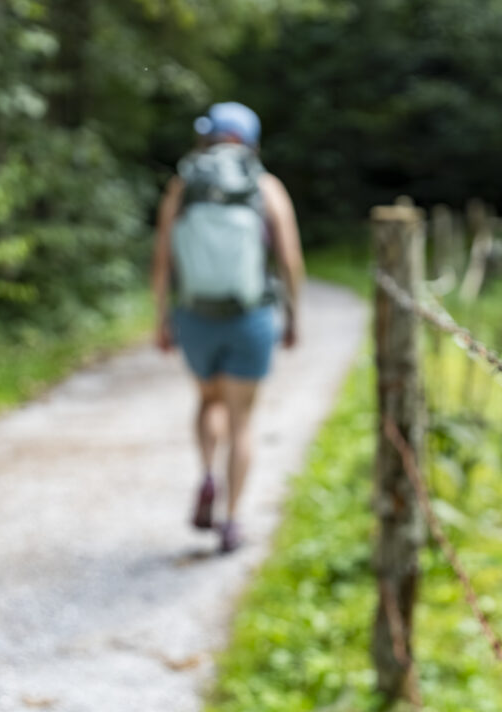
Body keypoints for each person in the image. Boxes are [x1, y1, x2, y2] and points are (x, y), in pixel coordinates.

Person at [152, 101, 304, 553]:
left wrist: (161, 316)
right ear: (251, 141)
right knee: (242, 421)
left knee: (208, 400)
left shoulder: (184, 185)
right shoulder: (266, 186)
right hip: (251, 317)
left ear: (208, 137)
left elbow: (163, 259)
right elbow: (290, 260)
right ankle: (233, 520)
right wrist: (294, 316)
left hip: (196, 315)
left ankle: (205, 475)